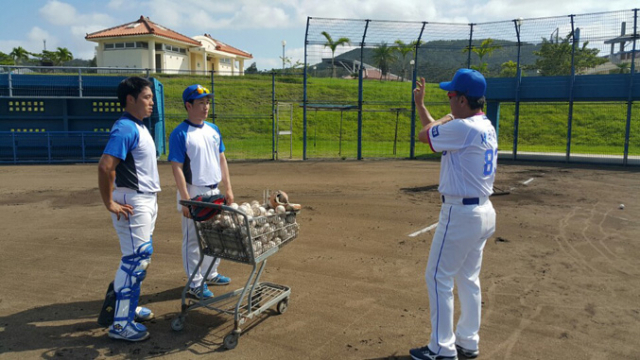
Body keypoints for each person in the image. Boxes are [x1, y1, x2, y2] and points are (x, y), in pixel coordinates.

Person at [409, 69, 497, 360]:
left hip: (461, 214)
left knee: (437, 277)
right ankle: (468, 341)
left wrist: (445, 118)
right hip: (483, 210)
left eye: (450, 96)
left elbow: (425, 135)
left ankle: (441, 348)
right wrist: (422, 107)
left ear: (462, 99)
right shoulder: (484, 125)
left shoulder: (462, 127)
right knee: (468, 278)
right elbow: (435, 137)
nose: (448, 101)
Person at [97, 76, 160, 342]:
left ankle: (129, 309)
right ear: (130, 100)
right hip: (132, 201)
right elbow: (105, 166)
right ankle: (121, 325)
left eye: (151, 98)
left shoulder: (139, 126)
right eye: (147, 98)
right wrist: (109, 202)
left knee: (139, 259)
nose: (151, 103)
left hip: (144, 200)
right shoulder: (125, 127)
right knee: (135, 261)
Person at [168, 84, 234, 300]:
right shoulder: (180, 133)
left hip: (214, 190)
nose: (206, 107)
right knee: (193, 240)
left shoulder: (213, 129)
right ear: (188, 105)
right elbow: (177, 167)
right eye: (200, 103)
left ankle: (211, 273)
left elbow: (222, 159)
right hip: (193, 191)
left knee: (216, 235)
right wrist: (186, 200)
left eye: (207, 102)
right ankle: (195, 283)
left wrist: (228, 188)